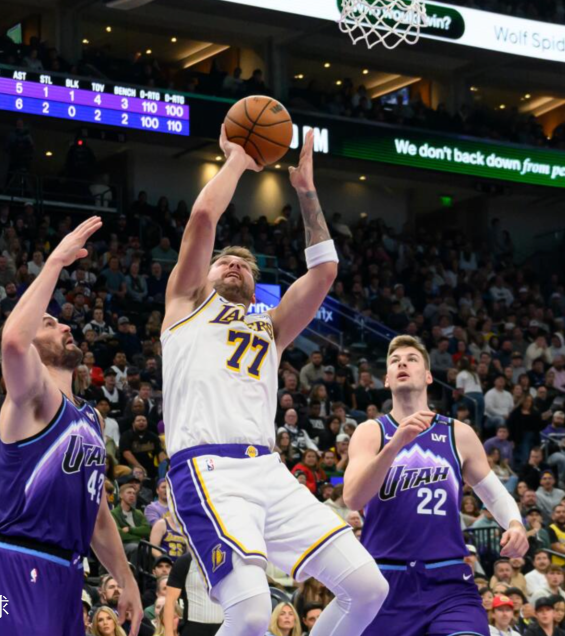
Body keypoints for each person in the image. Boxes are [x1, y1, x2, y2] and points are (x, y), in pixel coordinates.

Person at [161, 129, 385, 636]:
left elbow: (324, 272)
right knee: (250, 612)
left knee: (368, 587)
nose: (235, 265)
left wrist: (306, 192)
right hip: (208, 468)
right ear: (205, 273)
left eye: (246, 265)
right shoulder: (185, 305)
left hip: (268, 470)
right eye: (225, 261)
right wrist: (238, 159)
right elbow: (203, 217)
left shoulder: (271, 326)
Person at [0, 216, 142, 636]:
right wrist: (54, 263)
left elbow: (98, 515)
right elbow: (14, 341)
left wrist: (126, 578)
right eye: (48, 323)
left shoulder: (92, 417)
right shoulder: (32, 397)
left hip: (69, 574)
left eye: (60, 321)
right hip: (20, 565)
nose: (66, 325)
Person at [344, 335, 528, 636]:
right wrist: (394, 445)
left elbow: (493, 493)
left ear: (428, 376)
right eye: (394, 361)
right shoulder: (371, 431)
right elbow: (353, 498)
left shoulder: (458, 433)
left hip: (448, 581)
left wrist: (515, 524)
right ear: (387, 379)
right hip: (385, 580)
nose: (402, 363)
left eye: (411, 359)